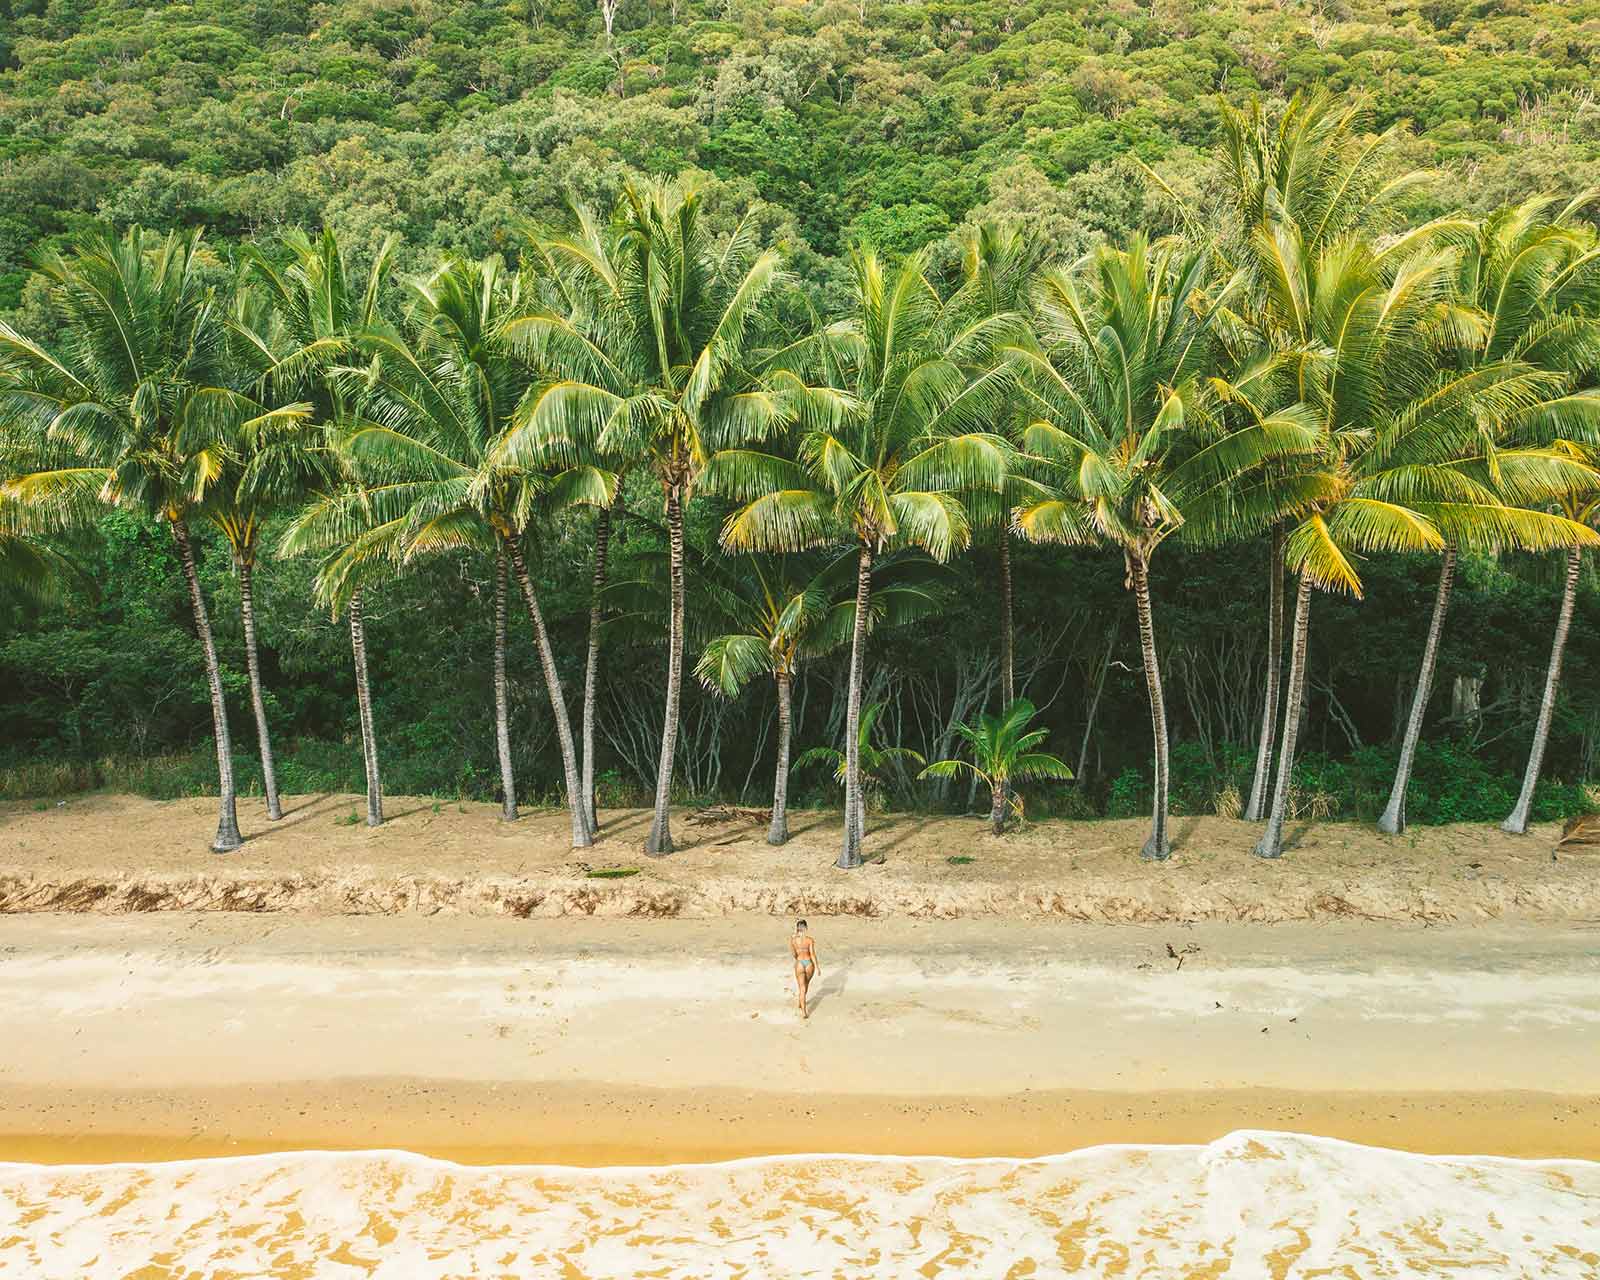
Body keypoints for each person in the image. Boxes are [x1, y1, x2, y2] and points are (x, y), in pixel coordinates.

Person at [789, 920, 820, 1019]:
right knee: (806, 984)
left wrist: (798, 960)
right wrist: (817, 967)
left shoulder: (793, 940)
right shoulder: (809, 940)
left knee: (801, 987)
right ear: (806, 928)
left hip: (799, 963)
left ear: (797, 929)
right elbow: (812, 954)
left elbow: (794, 954)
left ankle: (803, 1011)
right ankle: (801, 1001)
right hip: (809, 963)